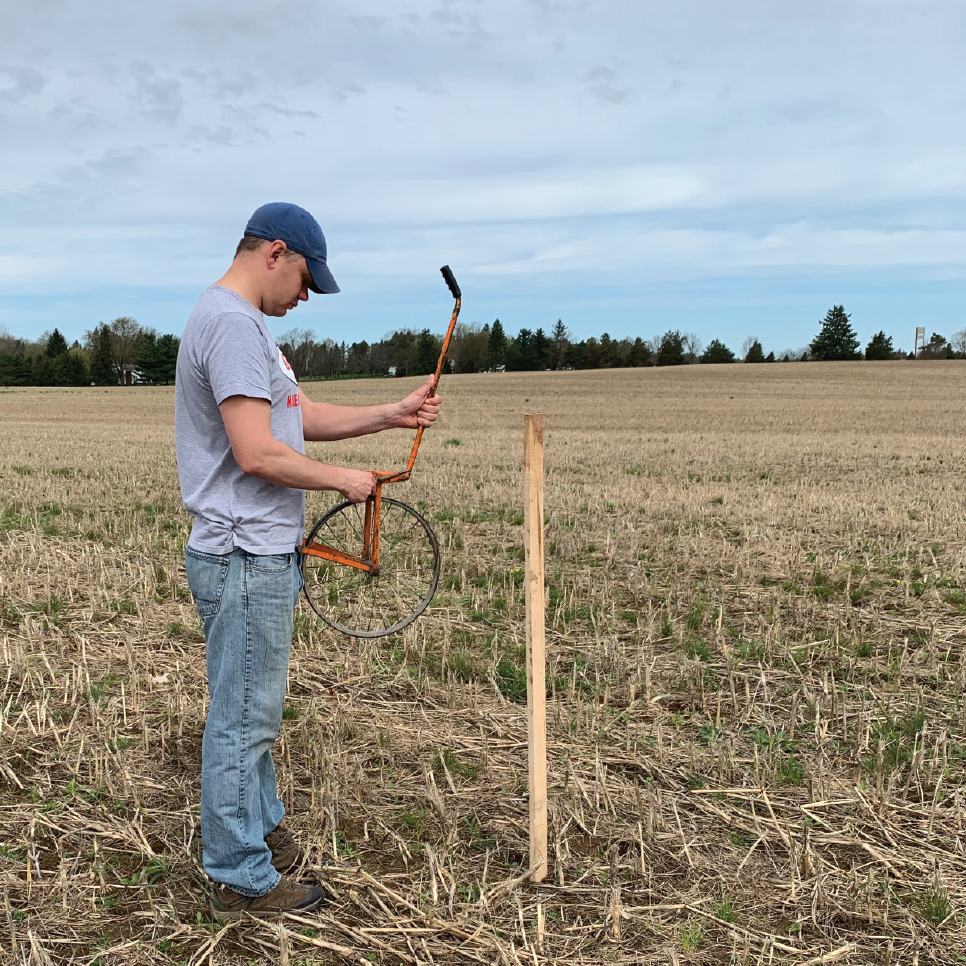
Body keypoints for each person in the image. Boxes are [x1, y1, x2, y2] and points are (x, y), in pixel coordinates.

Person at [174, 202, 442, 919]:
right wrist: (344, 481)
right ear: (275, 252)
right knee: (243, 716)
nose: (304, 297)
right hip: (242, 556)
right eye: (304, 281)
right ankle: (239, 877)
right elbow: (257, 453)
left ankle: (257, 827)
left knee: (250, 705)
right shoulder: (231, 326)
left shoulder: (245, 327)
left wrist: (390, 414)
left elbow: (296, 417)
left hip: (255, 555)